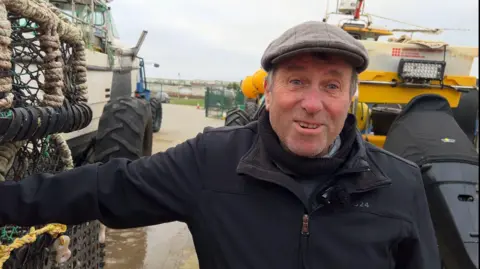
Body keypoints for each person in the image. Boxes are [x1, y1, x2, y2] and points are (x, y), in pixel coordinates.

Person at [0, 21, 440, 268]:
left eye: (331, 85)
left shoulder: (399, 185)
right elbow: (103, 187)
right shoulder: (213, 162)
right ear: (267, 92)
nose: (312, 103)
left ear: (351, 98)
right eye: (296, 81)